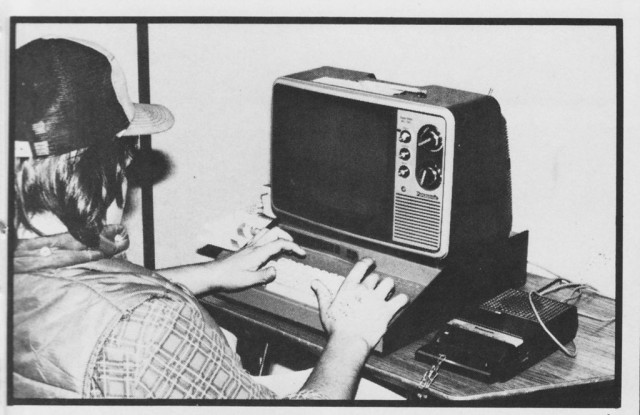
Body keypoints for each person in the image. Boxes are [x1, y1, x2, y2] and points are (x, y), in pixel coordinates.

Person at [11, 37, 409, 400]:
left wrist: (210, 272)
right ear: (97, 171)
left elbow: (73, 301)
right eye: (124, 154)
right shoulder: (151, 329)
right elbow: (127, 323)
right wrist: (350, 338)